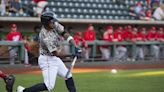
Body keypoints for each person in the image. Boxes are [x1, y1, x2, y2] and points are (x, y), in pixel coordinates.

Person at [16, 11, 81, 92]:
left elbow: (64, 33)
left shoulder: (54, 24)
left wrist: (75, 46)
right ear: (46, 23)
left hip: (54, 58)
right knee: (49, 86)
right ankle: (23, 91)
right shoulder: (45, 36)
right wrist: (71, 55)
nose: (54, 23)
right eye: (52, 22)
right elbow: (56, 53)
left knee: (68, 75)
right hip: (47, 59)